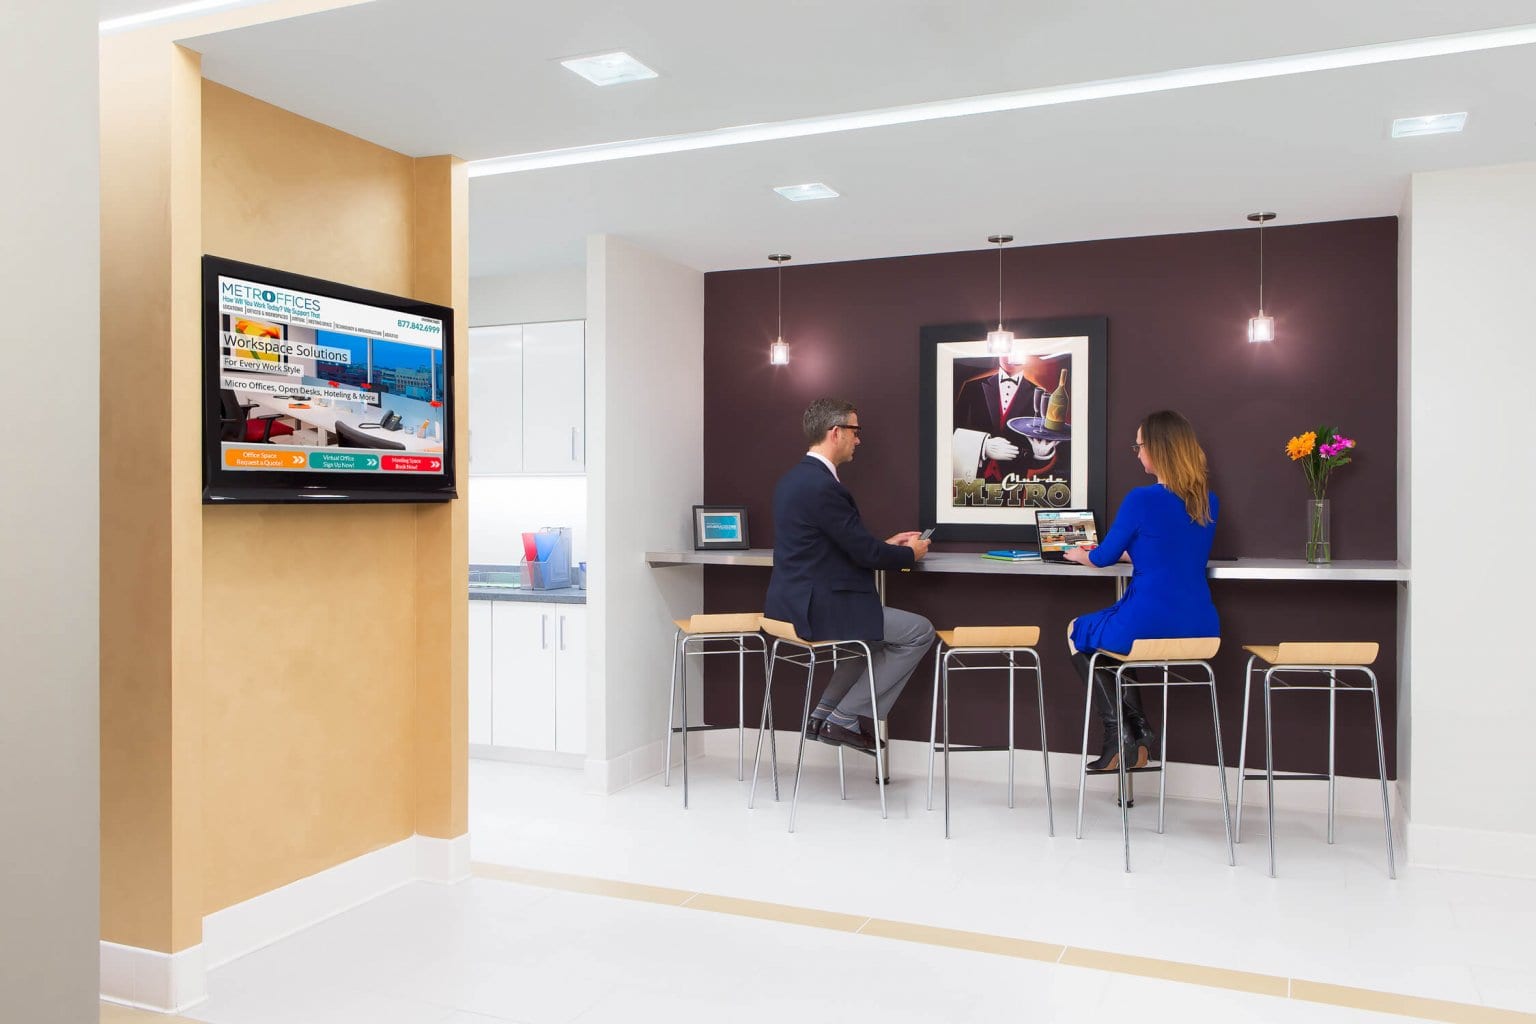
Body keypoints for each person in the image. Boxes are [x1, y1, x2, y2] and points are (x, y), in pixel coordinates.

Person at [764, 398, 935, 750]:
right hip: (819, 608)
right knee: (920, 632)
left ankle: (825, 714)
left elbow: (836, 546)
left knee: (870, 639)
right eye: (855, 432)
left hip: (789, 604)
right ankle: (845, 717)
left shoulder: (793, 480)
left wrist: (885, 544)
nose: (859, 440)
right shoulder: (825, 486)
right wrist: (908, 553)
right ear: (835, 432)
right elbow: (862, 552)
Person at [1063, 410, 1219, 771]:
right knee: (1111, 649)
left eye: (1140, 445)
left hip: (1147, 618)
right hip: (1200, 624)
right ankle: (1140, 736)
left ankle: (1122, 737)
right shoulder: (1207, 500)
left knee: (1077, 631)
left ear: (1158, 448)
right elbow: (1173, 548)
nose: (1136, 453)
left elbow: (1102, 558)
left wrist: (1075, 554)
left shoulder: (1141, 498)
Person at [951, 354, 1069, 486]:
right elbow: (951, 433)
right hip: (969, 477)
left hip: (1013, 484)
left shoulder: (1041, 396)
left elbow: (1039, 455)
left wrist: (1041, 455)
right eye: (1006, 352)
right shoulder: (971, 387)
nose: (1010, 357)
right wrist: (983, 446)